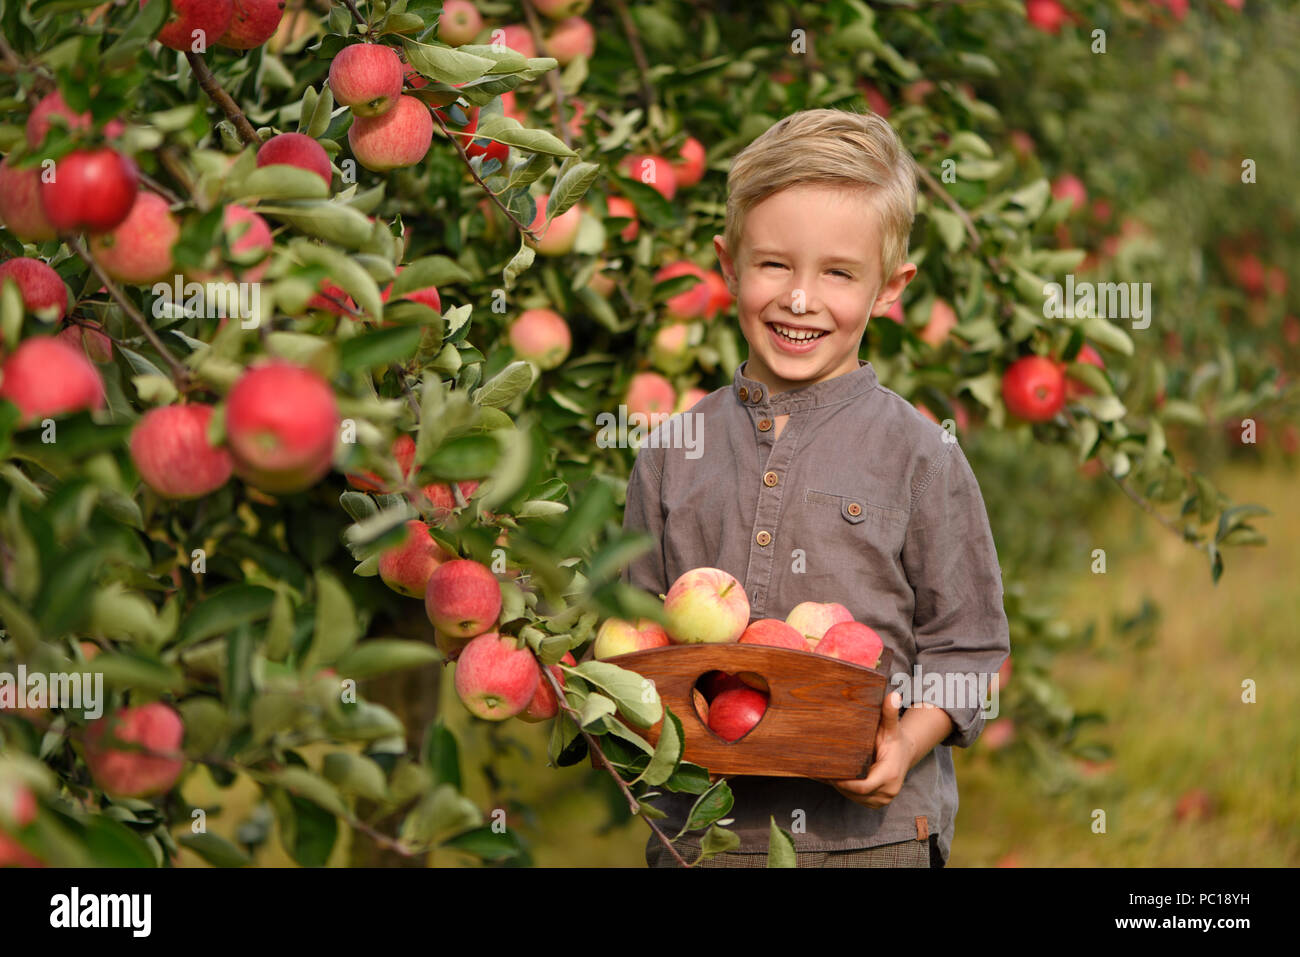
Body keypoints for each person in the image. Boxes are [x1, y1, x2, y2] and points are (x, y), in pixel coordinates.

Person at [623, 108, 1011, 868]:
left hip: (874, 839)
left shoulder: (920, 456)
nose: (800, 299)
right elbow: (637, 639)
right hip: (708, 837)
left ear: (890, 288)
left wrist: (905, 740)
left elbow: (971, 649)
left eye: (838, 273)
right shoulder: (671, 451)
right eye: (773, 265)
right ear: (727, 265)